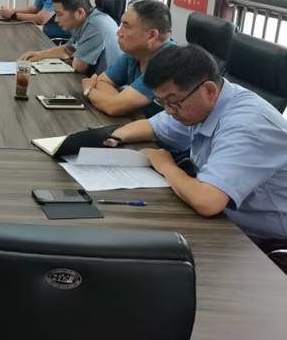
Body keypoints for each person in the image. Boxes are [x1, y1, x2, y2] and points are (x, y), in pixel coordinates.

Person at [104, 44, 287, 270]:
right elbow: (153, 126)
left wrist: (166, 165)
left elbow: (207, 202)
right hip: (226, 218)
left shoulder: (247, 126)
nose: (168, 110)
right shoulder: (201, 103)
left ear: (208, 90)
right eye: (162, 102)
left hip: (266, 243)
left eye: (173, 102)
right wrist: (112, 138)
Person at [81, 0, 175, 118]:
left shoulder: (168, 62)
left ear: (151, 36)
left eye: (126, 26)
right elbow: (102, 81)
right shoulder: (135, 53)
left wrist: (89, 90)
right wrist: (122, 106)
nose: (118, 33)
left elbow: (113, 107)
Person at [17, 0, 121, 75]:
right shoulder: (88, 19)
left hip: (109, 88)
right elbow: (68, 50)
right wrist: (39, 55)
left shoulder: (95, 26)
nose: (56, 19)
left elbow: (79, 66)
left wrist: (75, 54)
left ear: (79, 13)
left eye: (59, 14)